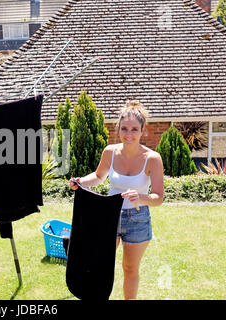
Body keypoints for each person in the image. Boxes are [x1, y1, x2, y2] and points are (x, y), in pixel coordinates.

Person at [69, 100, 164, 300]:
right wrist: (81, 182)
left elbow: (158, 197)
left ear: (142, 131)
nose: (128, 134)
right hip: (108, 216)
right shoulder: (110, 152)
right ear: (118, 129)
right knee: (98, 264)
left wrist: (142, 197)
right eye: (124, 129)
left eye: (134, 129)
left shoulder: (152, 158)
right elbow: (98, 176)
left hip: (137, 219)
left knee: (130, 269)